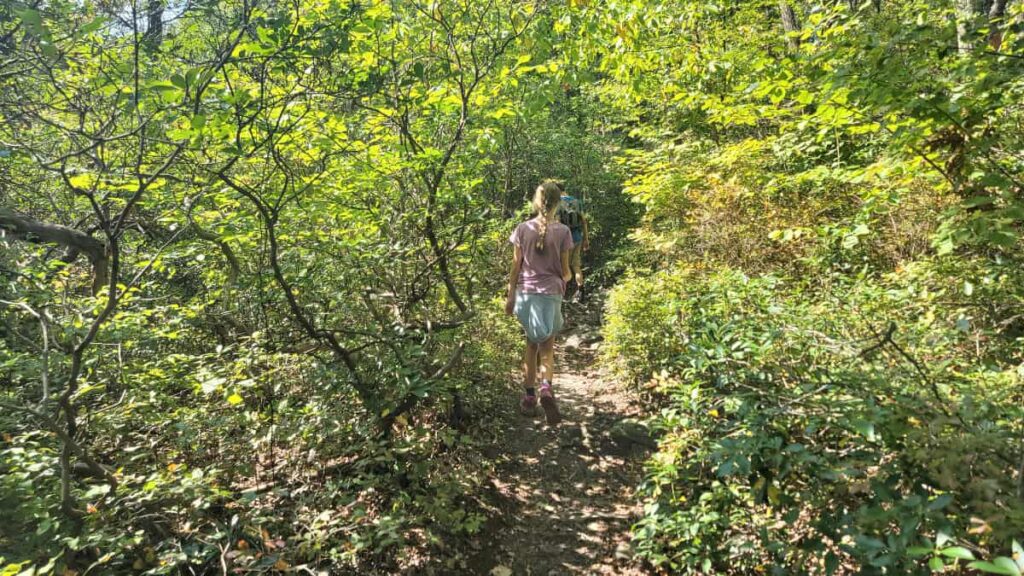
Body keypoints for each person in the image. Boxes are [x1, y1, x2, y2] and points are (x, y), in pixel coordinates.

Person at [505, 181, 573, 424]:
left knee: (531, 345)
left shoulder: (522, 229)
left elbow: (516, 267)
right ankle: (546, 387)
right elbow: (565, 272)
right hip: (551, 294)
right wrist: (568, 277)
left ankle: (529, 398)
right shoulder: (563, 232)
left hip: (526, 294)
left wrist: (510, 295)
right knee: (547, 348)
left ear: (536, 201)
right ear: (558, 203)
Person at [558, 188, 589, 303]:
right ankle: (581, 292)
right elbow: (584, 222)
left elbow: (557, 223)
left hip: (565, 239)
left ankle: (561, 295)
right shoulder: (577, 202)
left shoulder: (557, 203)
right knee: (576, 266)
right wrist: (586, 239)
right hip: (578, 237)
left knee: (563, 267)